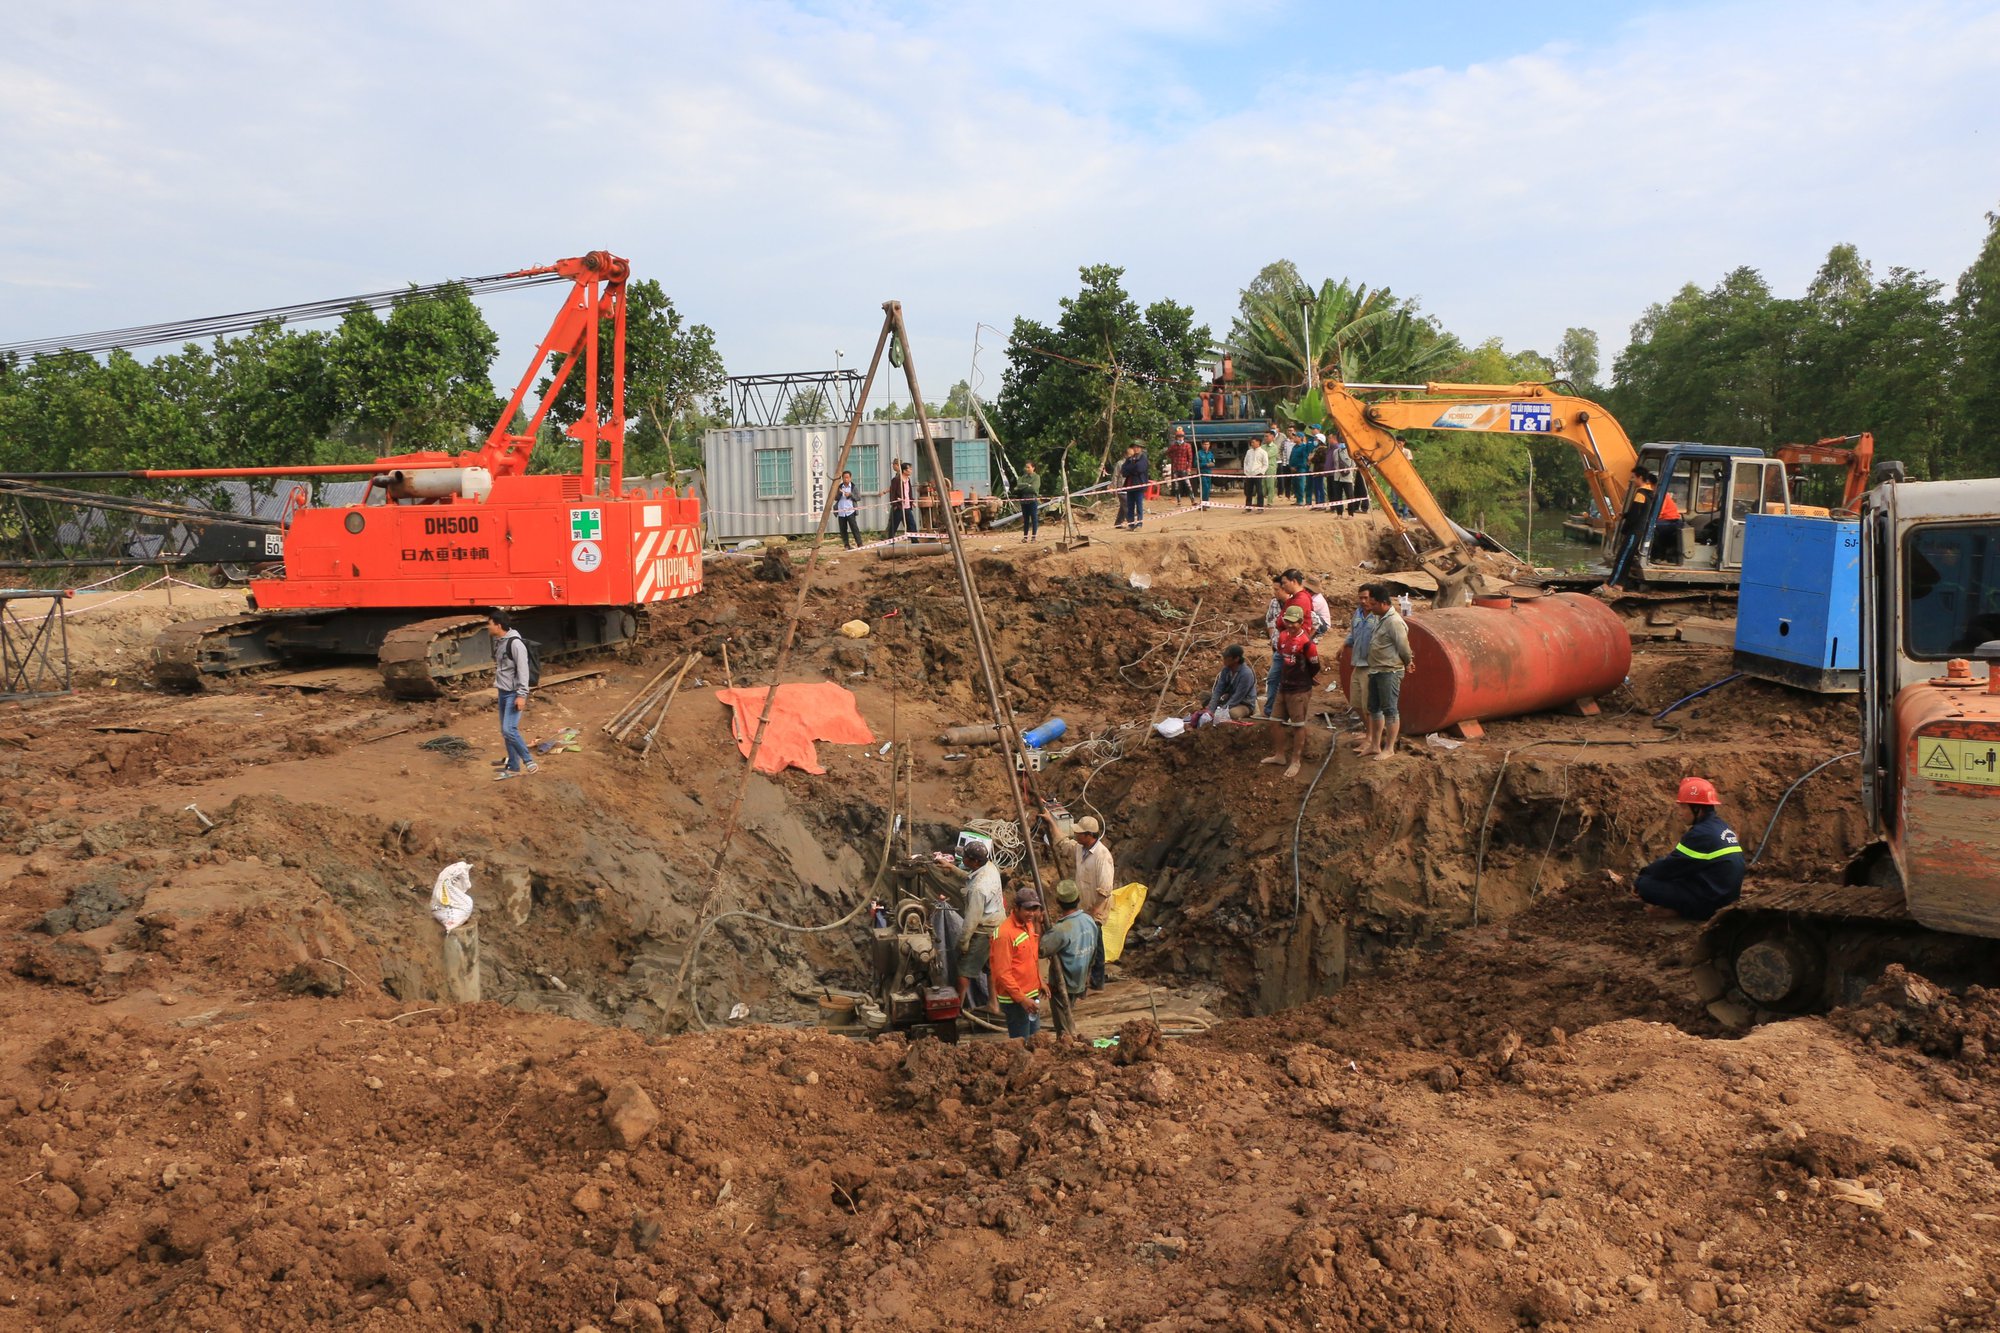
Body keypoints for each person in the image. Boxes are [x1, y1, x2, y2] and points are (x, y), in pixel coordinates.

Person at [1633, 777, 1744, 920]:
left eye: (1684, 807)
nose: (1680, 812)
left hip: (1713, 904)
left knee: (1646, 886)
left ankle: (1681, 912)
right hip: (1727, 896)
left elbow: (1670, 867)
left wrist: (1641, 878)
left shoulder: (1700, 834)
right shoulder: (1720, 826)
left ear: (1698, 809)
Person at [1045, 811, 1114, 989]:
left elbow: (1105, 890)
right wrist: (1051, 822)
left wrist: (1093, 911)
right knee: (1089, 941)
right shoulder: (1080, 849)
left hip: (1095, 908)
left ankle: (1097, 981)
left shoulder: (1102, 856)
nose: (1076, 835)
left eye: (1079, 833)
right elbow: (1063, 843)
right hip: (1084, 907)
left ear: (1089, 835)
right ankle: (1088, 978)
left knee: (1095, 943)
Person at [1356, 582, 1414, 761]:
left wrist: (1408, 662)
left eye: (1373, 604)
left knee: (1389, 709)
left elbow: (1403, 647)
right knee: (1374, 708)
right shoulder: (1381, 619)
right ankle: (1375, 745)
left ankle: (1389, 748)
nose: (1370, 607)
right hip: (1376, 670)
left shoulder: (1394, 622)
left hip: (1389, 671)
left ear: (1382, 603)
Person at [1260, 605, 1319, 777]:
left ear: (1301, 622)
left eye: (1294, 623)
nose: (1290, 625)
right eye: (1288, 622)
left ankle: (1296, 760)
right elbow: (1281, 658)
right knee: (1274, 721)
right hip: (1284, 686)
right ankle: (1279, 755)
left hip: (1299, 689)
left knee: (1298, 725)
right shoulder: (1283, 637)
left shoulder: (1306, 643)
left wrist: (1307, 677)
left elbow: (1315, 665)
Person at [1038, 880, 1098, 1038]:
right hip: (1080, 977)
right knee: (1068, 1011)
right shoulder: (1089, 921)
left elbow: (1041, 950)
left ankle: (1067, 1043)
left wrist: (1038, 926)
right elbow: (1095, 950)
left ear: (1058, 902)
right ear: (1078, 899)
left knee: (1063, 1025)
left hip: (1063, 982)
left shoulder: (1061, 929)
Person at [953, 839, 1006, 1009]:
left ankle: (957, 1010)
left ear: (975, 861)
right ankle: (994, 1004)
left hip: (985, 930)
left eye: (966, 858)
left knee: (964, 970)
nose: (963, 860)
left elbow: (971, 921)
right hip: (998, 926)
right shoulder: (990, 867)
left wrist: (963, 943)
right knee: (990, 967)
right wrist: (952, 869)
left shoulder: (978, 889)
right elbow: (971, 876)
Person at [989, 885, 1045, 1039]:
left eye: (1034, 909)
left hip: (1030, 994)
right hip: (1015, 999)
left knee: (1035, 1039)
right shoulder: (1004, 935)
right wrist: (1022, 999)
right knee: (1021, 1043)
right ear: (1016, 908)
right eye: (1028, 909)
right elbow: (1003, 973)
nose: (1031, 914)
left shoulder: (1028, 924)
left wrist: (1040, 982)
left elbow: (1031, 957)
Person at [487, 611, 537, 781]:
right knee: (505, 731)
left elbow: (524, 670)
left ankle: (528, 760)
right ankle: (514, 767)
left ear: (498, 625)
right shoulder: (500, 642)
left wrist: (522, 695)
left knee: (509, 729)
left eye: (490, 623)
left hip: (514, 694)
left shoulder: (515, 644)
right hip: (503, 692)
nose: (488, 626)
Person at [1262, 569, 1318, 717]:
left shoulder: (1300, 599)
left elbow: (1283, 621)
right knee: (1279, 679)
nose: (1283, 586)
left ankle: (1278, 713)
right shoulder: (1297, 598)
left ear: (1293, 582)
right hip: (1287, 646)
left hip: (1292, 648)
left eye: (1285, 583)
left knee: (1281, 680)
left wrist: (1282, 622)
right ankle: (1277, 712)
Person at [1194, 643, 1257, 724]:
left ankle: (1249, 712)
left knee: (1232, 713)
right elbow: (1218, 690)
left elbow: (1237, 697)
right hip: (1229, 699)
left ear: (1236, 659)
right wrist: (1210, 709)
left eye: (1227, 657)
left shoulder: (1246, 674)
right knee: (1204, 697)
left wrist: (1220, 711)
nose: (1224, 659)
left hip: (1243, 703)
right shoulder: (1226, 670)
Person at [1117, 443, 1150, 530]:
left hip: (1139, 485)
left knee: (1139, 505)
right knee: (1130, 506)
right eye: (1134, 447)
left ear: (1141, 448)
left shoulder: (1143, 458)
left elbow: (1140, 468)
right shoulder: (1130, 459)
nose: (1135, 449)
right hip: (1129, 485)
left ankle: (1139, 524)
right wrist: (1132, 468)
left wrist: (1130, 469)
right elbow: (1123, 471)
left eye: (1137, 447)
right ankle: (1131, 524)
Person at [885, 461, 917, 541]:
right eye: (909, 469)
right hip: (899, 507)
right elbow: (892, 494)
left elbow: (908, 493)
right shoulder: (896, 480)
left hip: (907, 506)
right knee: (894, 525)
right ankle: (890, 541)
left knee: (912, 524)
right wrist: (895, 503)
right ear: (904, 471)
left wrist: (912, 501)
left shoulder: (908, 480)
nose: (911, 470)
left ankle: (915, 541)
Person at [1012, 462, 1042, 543]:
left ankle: (1033, 537)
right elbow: (1018, 486)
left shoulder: (1036, 477)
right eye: (1026, 467)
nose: (1027, 469)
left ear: (1033, 468)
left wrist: (1023, 487)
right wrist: (1027, 485)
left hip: (1032, 500)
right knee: (1025, 519)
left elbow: (1034, 488)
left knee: (1034, 518)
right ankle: (1025, 537)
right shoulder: (1022, 477)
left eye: (1028, 467)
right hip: (1024, 501)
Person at [833, 470, 861, 549]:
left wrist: (850, 495)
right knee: (843, 529)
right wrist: (839, 493)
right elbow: (835, 498)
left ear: (850, 478)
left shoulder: (853, 487)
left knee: (854, 528)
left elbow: (858, 497)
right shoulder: (839, 487)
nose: (846, 479)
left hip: (850, 511)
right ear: (842, 478)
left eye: (847, 477)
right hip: (841, 511)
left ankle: (859, 543)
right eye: (844, 478)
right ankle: (846, 545)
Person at [1167, 429, 1195, 506]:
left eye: (1181, 436)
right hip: (1176, 468)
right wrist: (1173, 458)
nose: (1180, 438)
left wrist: (1189, 467)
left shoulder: (1187, 446)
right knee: (1176, 485)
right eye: (1179, 437)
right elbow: (1168, 453)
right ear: (1176, 437)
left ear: (1183, 437)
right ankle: (1179, 501)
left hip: (1184, 468)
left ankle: (1192, 500)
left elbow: (1190, 458)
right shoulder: (1173, 446)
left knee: (1188, 484)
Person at [1241, 434, 1269, 508]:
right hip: (1249, 474)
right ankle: (1248, 507)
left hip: (1258, 474)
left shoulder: (1263, 452)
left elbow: (1265, 464)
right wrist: (1246, 472)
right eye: (1251, 442)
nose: (1252, 444)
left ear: (1258, 442)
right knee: (1248, 492)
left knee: (1259, 491)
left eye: (1253, 442)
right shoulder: (1249, 452)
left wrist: (1261, 472)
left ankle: (1260, 507)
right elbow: (1245, 462)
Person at [1306, 432, 1329, 508]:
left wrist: (1311, 458)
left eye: (1316, 439)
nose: (1315, 441)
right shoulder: (1316, 449)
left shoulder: (1323, 449)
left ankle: (1322, 503)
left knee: (1321, 487)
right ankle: (1317, 503)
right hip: (1315, 470)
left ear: (1320, 440)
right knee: (1316, 488)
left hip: (1320, 470)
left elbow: (1317, 459)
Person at [1195, 441, 1216, 507]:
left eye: (1207, 444)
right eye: (1204, 444)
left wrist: (1212, 464)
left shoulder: (1210, 454)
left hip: (1208, 473)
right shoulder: (1199, 453)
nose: (1206, 446)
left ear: (1209, 445)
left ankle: (1206, 503)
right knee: (1205, 488)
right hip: (1202, 473)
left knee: (1208, 488)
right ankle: (1203, 504)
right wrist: (1205, 464)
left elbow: (1213, 462)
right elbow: (1196, 464)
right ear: (1202, 445)